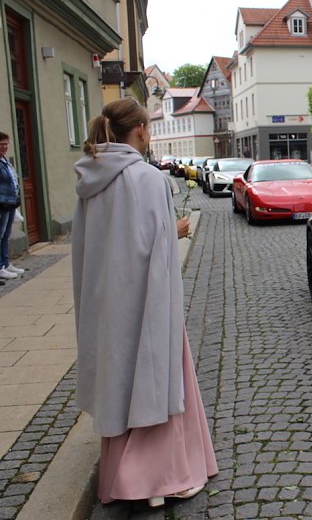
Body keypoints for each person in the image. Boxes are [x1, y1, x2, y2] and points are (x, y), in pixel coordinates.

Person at [71, 98, 216, 508]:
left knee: (120, 382)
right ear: (138, 131)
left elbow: (94, 245)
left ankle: (123, 474)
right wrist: (177, 231)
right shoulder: (148, 178)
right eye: (149, 127)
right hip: (145, 299)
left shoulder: (90, 179)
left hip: (107, 299)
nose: (150, 134)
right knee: (155, 378)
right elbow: (151, 248)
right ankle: (158, 481)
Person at [0, 132, 24, 280]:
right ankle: (1, 266)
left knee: (6, 235)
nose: (4, 147)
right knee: (0, 235)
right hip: (1, 203)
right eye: (1, 144)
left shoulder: (5, 161)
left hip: (10, 202)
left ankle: (6, 263)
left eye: (6, 143)